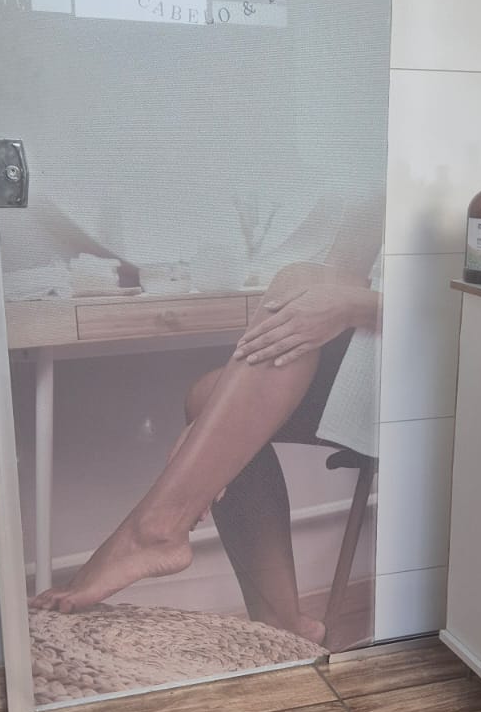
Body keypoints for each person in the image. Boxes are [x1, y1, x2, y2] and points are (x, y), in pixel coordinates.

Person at [31, 259, 381, 641]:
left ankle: (157, 528)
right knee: (208, 393)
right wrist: (217, 423)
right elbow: (346, 265)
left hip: (422, 391)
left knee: (300, 280)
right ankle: (283, 625)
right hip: (378, 357)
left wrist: (353, 305)